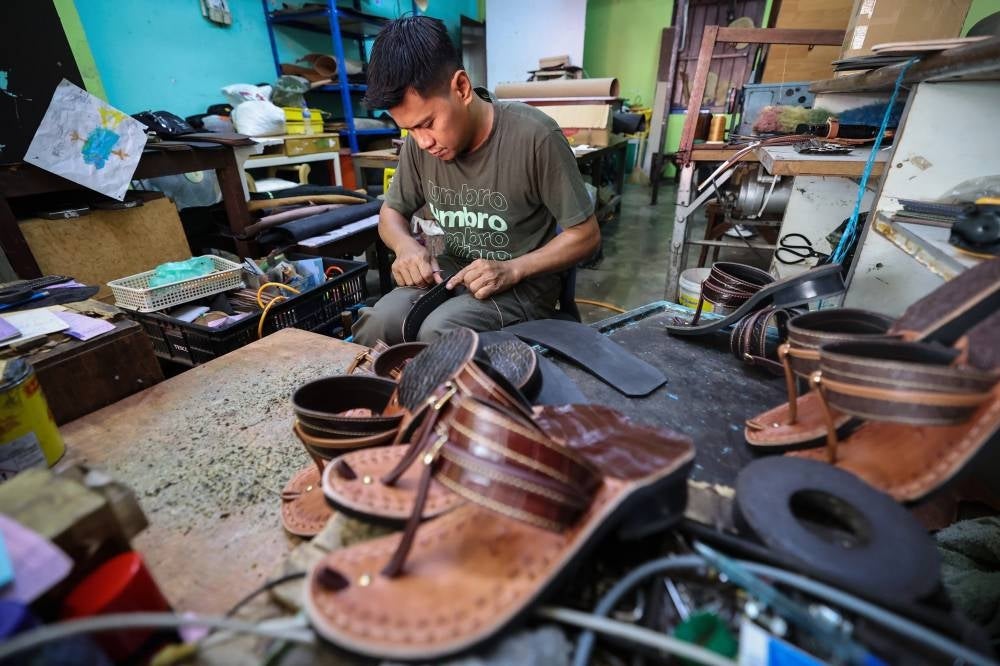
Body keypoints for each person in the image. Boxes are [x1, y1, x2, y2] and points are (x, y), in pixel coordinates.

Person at [351, 15, 601, 346]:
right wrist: (405, 246)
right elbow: (391, 213)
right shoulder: (419, 145)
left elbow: (586, 236)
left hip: (522, 283)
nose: (423, 141)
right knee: (376, 325)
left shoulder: (535, 136)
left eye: (427, 122)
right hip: (453, 270)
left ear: (462, 87)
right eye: (410, 128)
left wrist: (513, 269)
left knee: (438, 334)